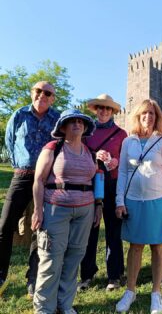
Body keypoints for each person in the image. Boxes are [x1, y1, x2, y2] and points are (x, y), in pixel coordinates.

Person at [31, 109, 101, 314]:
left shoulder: (90, 152)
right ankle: (44, 307)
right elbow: (38, 180)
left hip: (84, 211)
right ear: (62, 127)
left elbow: (96, 180)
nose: (77, 124)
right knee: (51, 257)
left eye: (81, 121)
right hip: (56, 208)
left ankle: (64, 304)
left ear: (85, 127)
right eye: (72, 122)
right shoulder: (53, 148)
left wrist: (98, 205)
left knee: (74, 258)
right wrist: (37, 210)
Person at [115, 99, 162, 314]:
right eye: (144, 114)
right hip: (133, 200)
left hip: (159, 200)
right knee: (135, 246)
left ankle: (156, 293)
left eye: (152, 114)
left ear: (157, 118)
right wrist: (119, 201)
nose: (148, 117)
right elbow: (122, 172)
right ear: (138, 117)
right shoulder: (128, 142)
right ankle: (130, 291)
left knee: (158, 245)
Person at [0, 81, 60, 297]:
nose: (42, 95)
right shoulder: (19, 115)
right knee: (5, 225)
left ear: (53, 98)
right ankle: (1, 275)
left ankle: (33, 278)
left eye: (47, 93)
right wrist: (19, 164)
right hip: (22, 176)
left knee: (40, 227)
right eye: (38, 91)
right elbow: (9, 140)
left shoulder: (57, 119)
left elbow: (61, 146)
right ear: (31, 93)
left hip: (45, 179)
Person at [77, 94, 127, 292]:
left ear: (113, 111)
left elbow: (127, 161)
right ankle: (87, 274)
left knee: (114, 231)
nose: (104, 111)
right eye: (100, 108)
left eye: (108, 109)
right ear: (96, 110)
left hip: (112, 184)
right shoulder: (87, 132)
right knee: (90, 230)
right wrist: (93, 155)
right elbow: (78, 152)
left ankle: (114, 275)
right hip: (91, 184)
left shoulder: (122, 134)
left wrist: (116, 161)